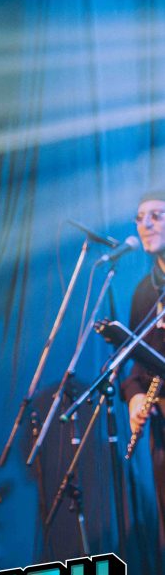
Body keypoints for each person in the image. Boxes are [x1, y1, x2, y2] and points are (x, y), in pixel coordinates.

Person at [122, 190, 165, 545]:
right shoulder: (144, 293)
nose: (145, 224)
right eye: (140, 218)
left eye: (156, 215)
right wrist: (135, 396)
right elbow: (137, 363)